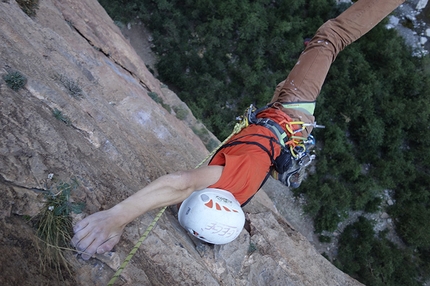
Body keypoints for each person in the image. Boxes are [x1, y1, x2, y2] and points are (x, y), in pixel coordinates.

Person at [72, 0, 405, 260]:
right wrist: (117, 217)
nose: (178, 202)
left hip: (277, 126)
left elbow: (187, 193)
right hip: (290, 110)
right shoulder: (229, 181)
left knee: (315, 53)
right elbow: (180, 183)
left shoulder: (238, 199)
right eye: (185, 205)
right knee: (331, 38)